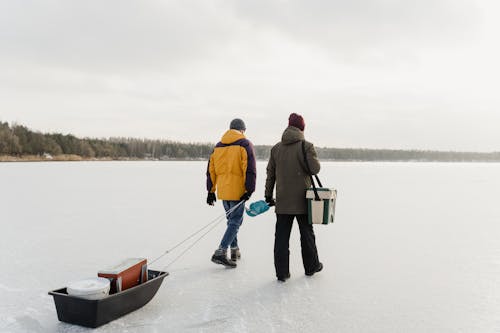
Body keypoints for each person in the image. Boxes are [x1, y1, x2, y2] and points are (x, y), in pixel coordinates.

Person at [264, 113, 323, 282]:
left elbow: (270, 174)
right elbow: (315, 169)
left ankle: (282, 273)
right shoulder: (306, 146)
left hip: (282, 202)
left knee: (281, 238)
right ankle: (311, 267)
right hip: (303, 200)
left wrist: (268, 195)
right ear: (302, 128)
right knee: (307, 235)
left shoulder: (276, 149)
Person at [206, 118, 256, 268]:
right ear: (242, 130)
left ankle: (234, 250)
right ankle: (221, 251)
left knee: (232, 222)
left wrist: (210, 191)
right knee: (235, 221)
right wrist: (249, 190)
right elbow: (250, 169)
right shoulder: (245, 144)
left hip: (223, 191)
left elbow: (211, 170)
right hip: (238, 191)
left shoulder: (218, 146)